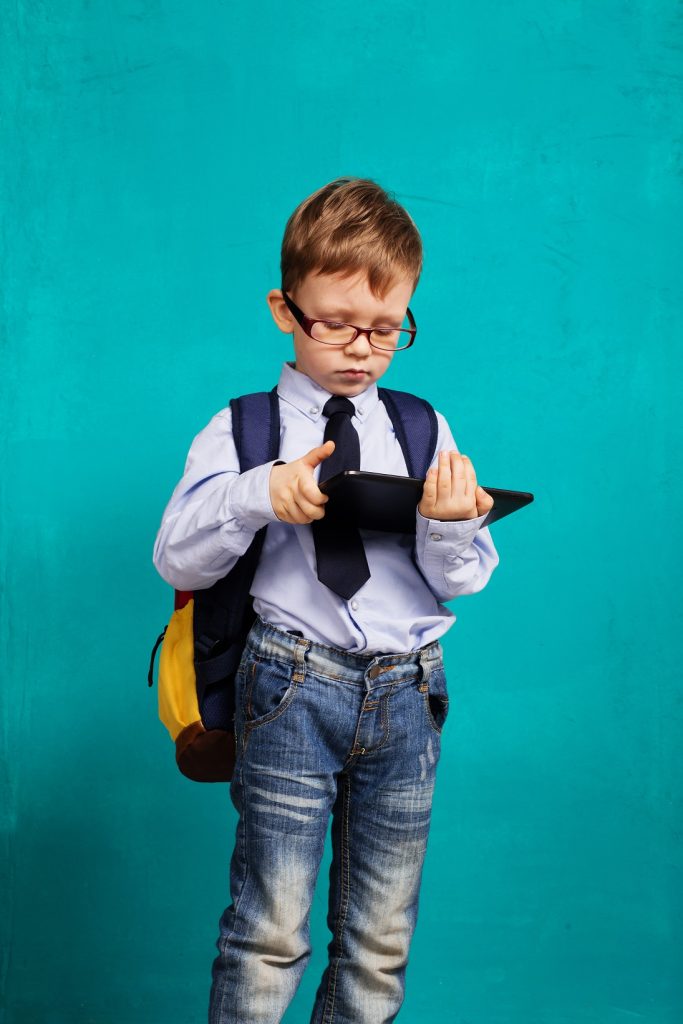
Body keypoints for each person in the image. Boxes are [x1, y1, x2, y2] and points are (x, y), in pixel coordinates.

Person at [152, 176, 500, 1024]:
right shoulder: (241, 429)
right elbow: (174, 553)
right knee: (269, 927)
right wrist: (257, 495)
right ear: (284, 308)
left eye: (385, 331)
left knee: (379, 937)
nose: (359, 349)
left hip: (409, 691)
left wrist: (454, 524)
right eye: (336, 323)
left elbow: (462, 577)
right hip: (289, 686)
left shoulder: (421, 426)